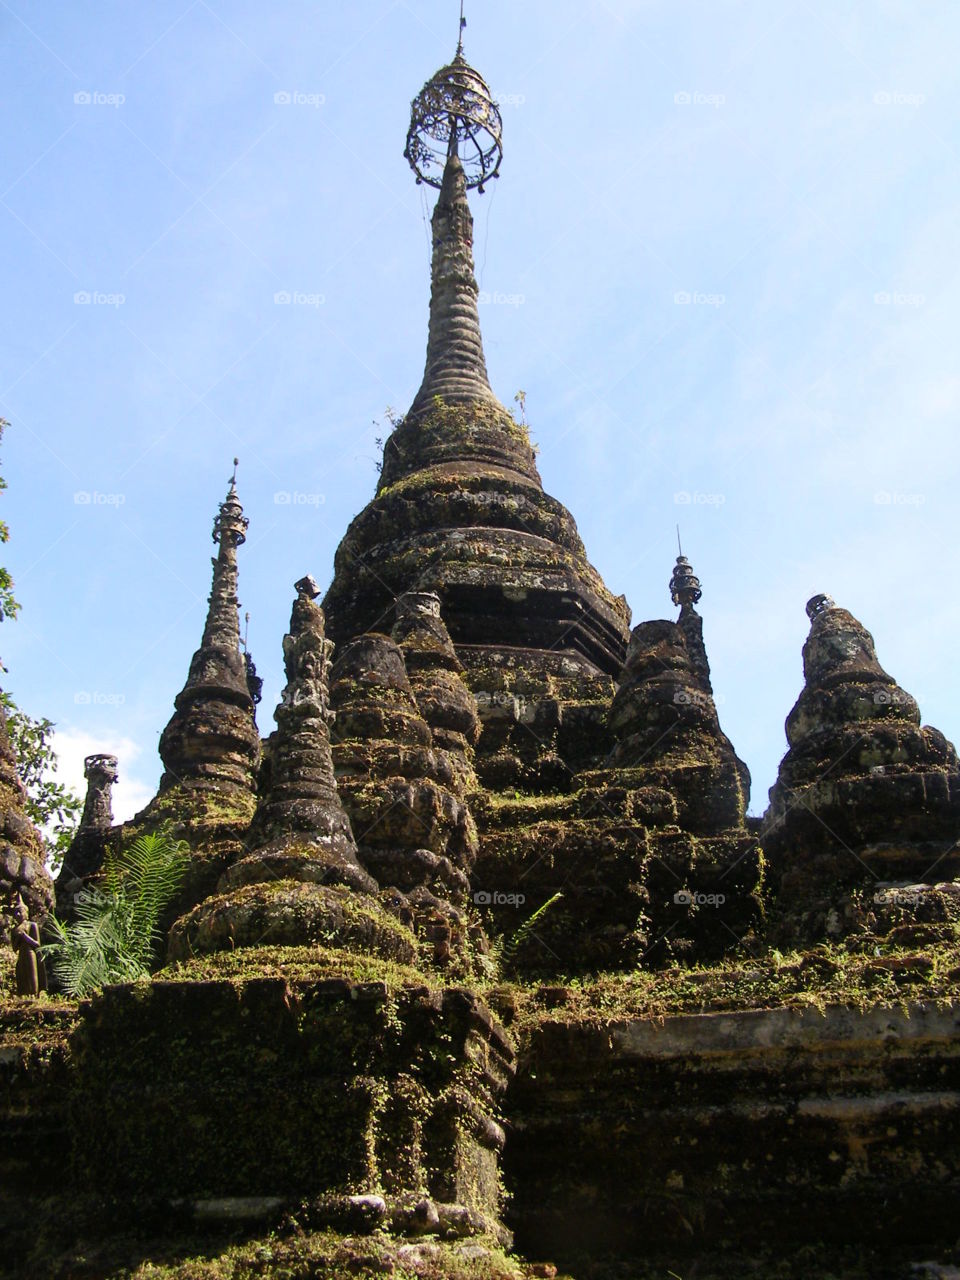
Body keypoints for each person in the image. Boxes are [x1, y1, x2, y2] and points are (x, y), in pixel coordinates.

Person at [10, 893, 46, 996]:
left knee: (32, 976)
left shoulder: (32, 925)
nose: (17, 915)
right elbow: (15, 948)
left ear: (26, 913)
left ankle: (34, 994)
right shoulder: (15, 930)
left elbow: (37, 944)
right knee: (22, 976)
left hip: (30, 954)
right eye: (16, 912)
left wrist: (25, 936)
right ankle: (23, 995)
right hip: (21, 954)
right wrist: (18, 937)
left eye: (20, 912)